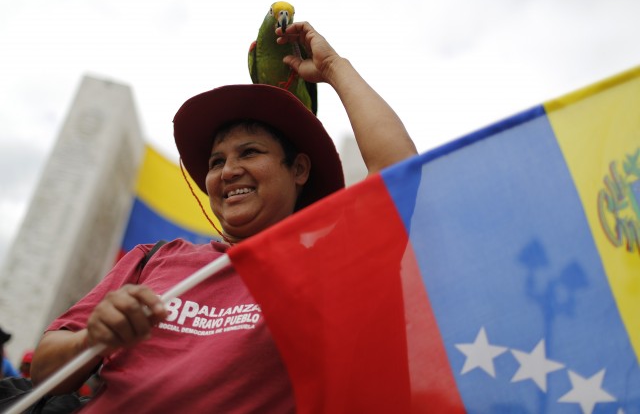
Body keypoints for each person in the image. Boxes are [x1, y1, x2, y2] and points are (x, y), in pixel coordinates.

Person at [30, 22, 417, 412]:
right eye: (217, 161)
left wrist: (334, 67)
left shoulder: (330, 264)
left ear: (298, 169)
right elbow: (43, 371)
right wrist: (90, 340)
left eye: (249, 153)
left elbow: (398, 170)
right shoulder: (154, 257)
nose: (228, 171)